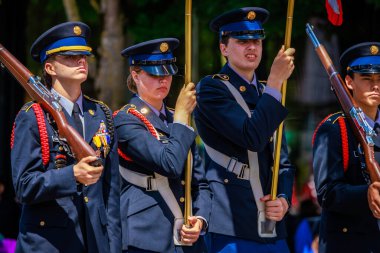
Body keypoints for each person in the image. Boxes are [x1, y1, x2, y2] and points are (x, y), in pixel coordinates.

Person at [11, 21, 121, 253]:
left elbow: (111, 193)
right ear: (50, 68)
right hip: (50, 243)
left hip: (95, 240)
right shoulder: (32, 117)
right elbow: (24, 187)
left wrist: (113, 245)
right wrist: (72, 175)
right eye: (71, 57)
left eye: (83, 56)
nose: (81, 61)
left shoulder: (101, 114)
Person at [193, 7, 296, 253]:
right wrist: (274, 83)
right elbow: (252, 137)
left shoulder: (265, 92)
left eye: (256, 41)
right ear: (224, 48)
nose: (252, 47)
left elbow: (282, 161)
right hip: (232, 224)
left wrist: (282, 198)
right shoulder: (211, 89)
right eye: (242, 41)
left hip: (272, 225)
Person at [114, 38, 212, 253]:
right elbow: (169, 164)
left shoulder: (175, 118)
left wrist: (200, 219)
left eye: (166, 73)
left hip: (185, 238)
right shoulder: (126, 119)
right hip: (146, 233)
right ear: (136, 75)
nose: (162, 80)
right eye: (154, 74)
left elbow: (200, 183)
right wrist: (181, 118)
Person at [313, 42, 380, 253]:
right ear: (349, 82)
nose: (375, 86)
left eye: (379, 79)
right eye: (367, 79)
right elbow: (326, 193)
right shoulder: (333, 129)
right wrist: (365, 194)